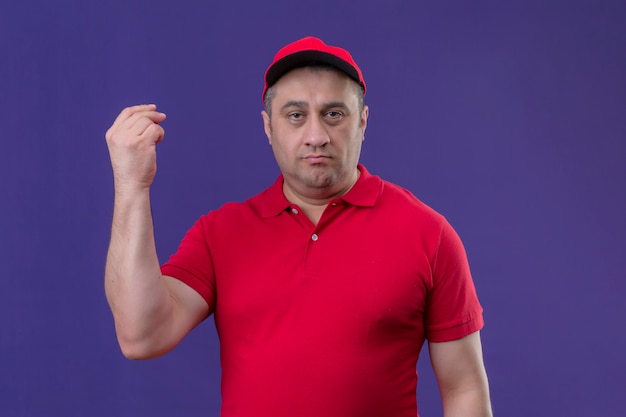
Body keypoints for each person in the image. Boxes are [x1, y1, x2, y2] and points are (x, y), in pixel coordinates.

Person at [104, 36, 492, 417]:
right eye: (295, 115)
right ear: (269, 127)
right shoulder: (220, 233)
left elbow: (465, 389)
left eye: (334, 114)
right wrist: (131, 185)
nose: (316, 136)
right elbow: (142, 335)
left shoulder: (429, 234)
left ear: (362, 122)